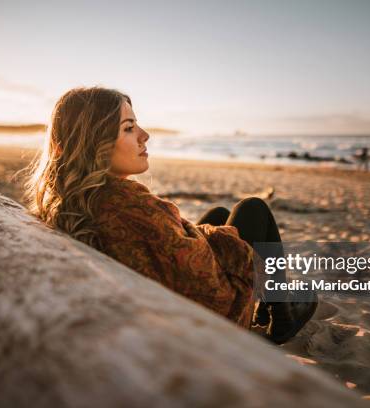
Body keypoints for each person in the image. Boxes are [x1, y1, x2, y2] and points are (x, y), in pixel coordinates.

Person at [24, 86, 317, 344]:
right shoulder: (127, 205)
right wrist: (225, 243)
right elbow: (201, 281)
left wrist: (210, 234)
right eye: (128, 128)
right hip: (204, 323)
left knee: (218, 214)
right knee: (253, 209)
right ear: (92, 144)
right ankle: (282, 317)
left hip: (154, 301)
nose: (144, 135)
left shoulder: (81, 198)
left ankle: (270, 303)